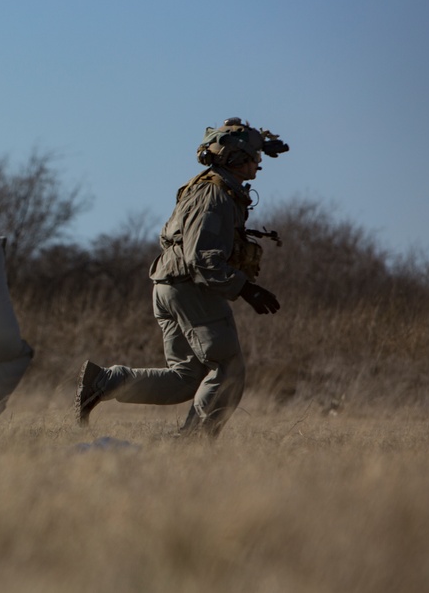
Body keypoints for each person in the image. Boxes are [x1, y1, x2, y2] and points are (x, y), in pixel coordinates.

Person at [75, 117, 289, 438]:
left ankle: (105, 382)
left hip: (170, 286)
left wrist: (257, 141)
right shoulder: (214, 197)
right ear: (234, 159)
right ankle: (193, 442)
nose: (258, 167)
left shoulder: (209, 187)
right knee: (227, 369)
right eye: (253, 159)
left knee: (187, 377)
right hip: (192, 287)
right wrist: (245, 289)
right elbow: (200, 257)